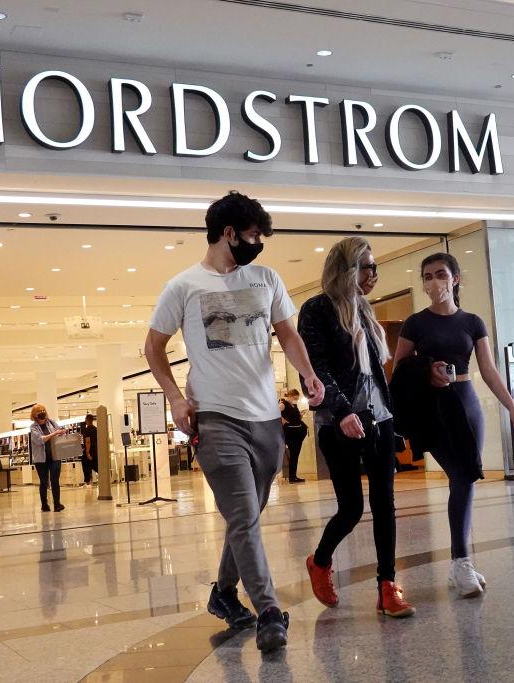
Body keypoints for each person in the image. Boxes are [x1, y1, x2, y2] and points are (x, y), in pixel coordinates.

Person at [144, 190, 325, 653]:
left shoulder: (266, 278)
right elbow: (153, 348)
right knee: (244, 515)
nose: (258, 244)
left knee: (246, 516)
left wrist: (308, 375)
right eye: (252, 235)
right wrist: (176, 400)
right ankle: (267, 609)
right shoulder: (182, 287)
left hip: (266, 419)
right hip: (215, 418)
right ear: (229, 233)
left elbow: (288, 335)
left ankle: (223, 593)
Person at [391, 253, 514, 599]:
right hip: (432, 407)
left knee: (466, 478)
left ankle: (460, 562)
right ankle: (461, 560)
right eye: (426, 276)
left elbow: (489, 369)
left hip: (465, 402)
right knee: (462, 477)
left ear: (455, 279)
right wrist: (426, 372)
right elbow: (399, 369)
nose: (433, 282)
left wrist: (512, 406)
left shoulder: (472, 322)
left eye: (440, 274)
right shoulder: (415, 323)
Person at [298, 236, 415, 618]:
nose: (374, 275)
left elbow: (374, 374)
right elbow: (313, 368)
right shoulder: (316, 309)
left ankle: (387, 586)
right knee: (350, 508)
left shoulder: (364, 310)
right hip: (338, 422)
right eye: (368, 267)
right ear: (347, 269)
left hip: (378, 420)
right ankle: (319, 561)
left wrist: (392, 417)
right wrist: (343, 410)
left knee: (385, 503)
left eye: (375, 267)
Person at [29, 404, 66, 512]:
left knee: (55, 480)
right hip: (41, 459)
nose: (42, 412)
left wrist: (62, 432)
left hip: (55, 456)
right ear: (34, 415)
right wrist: (55, 433)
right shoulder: (33, 427)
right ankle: (44, 504)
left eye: (43, 410)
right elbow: (40, 440)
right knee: (44, 481)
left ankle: (57, 504)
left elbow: (59, 434)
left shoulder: (52, 422)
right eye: (39, 411)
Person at [279, 389, 308, 483]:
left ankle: (293, 476)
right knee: (294, 453)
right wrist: (282, 419)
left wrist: (300, 415)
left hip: (297, 431)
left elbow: (295, 417)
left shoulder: (294, 405)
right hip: (290, 432)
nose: (296, 400)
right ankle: (292, 477)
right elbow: (274, 412)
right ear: (291, 396)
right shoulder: (284, 404)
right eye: (295, 398)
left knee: (295, 455)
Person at [80, 414, 99, 487]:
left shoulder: (86, 430)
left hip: (89, 451)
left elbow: (88, 441)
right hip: (95, 450)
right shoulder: (95, 429)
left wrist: (87, 452)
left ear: (87, 420)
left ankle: (87, 482)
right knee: (95, 465)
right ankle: (90, 481)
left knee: (86, 465)